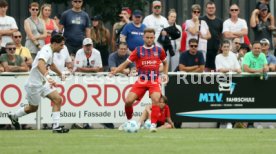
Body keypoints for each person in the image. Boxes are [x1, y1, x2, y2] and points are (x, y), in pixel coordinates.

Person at [8, 35, 70, 133]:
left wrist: (60, 74)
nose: (63, 47)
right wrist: (48, 77)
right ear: (54, 43)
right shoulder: (46, 50)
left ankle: (56, 126)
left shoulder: (51, 50)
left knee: (58, 99)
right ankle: (14, 116)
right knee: (33, 108)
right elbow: (40, 64)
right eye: (61, 45)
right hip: (34, 85)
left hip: (43, 83)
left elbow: (51, 65)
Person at [110, 28, 168, 132]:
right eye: (147, 37)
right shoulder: (138, 50)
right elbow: (126, 63)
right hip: (141, 80)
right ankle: (129, 121)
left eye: (151, 37)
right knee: (128, 101)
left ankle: (153, 125)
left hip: (154, 80)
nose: (149, 39)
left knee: (155, 100)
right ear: (143, 37)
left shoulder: (159, 50)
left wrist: (165, 74)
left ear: (154, 38)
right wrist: (115, 71)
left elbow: (165, 62)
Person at [200, 1, 223, 71]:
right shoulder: (201, 19)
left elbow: (221, 35)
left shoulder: (220, 21)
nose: (211, 9)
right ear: (206, 9)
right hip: (204, 49)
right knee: (205, 70)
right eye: (209, 8)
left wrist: (220, 46)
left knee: (215, 69)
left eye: (212, 8)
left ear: (215, 9)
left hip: (216, 50)